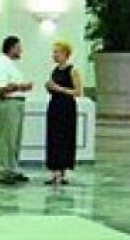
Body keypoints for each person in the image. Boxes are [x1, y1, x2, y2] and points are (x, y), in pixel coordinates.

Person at [0, 35, 33, 185]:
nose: (21, 50)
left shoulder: (11, 64)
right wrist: (20, 86)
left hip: (17, 103)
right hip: (8, 103)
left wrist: (22, 87)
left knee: (15, 139)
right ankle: (4, 171)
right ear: (11, 48)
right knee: (6, 138)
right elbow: (0, 89)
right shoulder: (1, 64)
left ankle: (13, 169)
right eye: (18, 47)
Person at [44, 41, 83, 186]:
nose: (54, 55)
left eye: (57, 52)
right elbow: (54, 88)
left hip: (66, 108)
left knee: (64, 138)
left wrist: (59, 88)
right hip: (54, 106)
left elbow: (78, 92)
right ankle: (54, 171)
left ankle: (62, 172)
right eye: (53, 52)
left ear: (65, 54)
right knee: (53, 138)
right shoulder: (55, 70)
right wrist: (50, 88)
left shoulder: (73, 71)